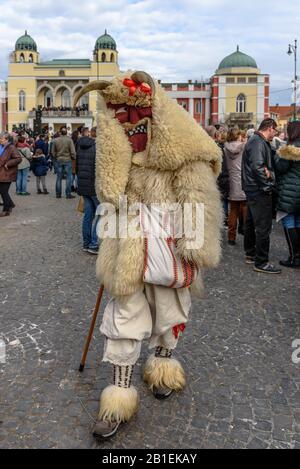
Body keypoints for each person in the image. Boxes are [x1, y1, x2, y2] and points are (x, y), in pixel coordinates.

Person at [75, 71, 222, 439]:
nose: (130, 125)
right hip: (128, 246)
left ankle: (162, 366)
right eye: (122, 117)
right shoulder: (120, 151)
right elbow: (110, 197)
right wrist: (110, 230)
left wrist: (194, 244)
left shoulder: (185, 148)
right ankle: (118, 399)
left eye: (135, 116)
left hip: (170, 246)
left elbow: (198, 197)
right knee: (124, 317)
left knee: (170, 312)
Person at [242, 118, 281, 274]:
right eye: (275, 131)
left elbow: (259, 167)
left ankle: (251, 254)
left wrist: (267, 173)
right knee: (263, 227)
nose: (275, 134)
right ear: (270, 128)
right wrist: (268, 185)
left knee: (251, 223)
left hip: (252, 189)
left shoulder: (255, 140)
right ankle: (261, 262)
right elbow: (258, 167)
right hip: (258, 190)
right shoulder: (258, 142)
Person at [273, 120, 300, 268]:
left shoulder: (289, 150)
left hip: (290, 191)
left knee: (289, 221)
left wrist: (278, 155)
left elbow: (280, 168)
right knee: (298, 222)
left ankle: (294, 257)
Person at [76, 126, 99, 254]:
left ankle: (86, 243)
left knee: (88, 216)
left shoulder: (80, 146)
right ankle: (94, 243)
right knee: (101, 214)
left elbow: (77, 166)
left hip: (83, 185)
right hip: (94, 185)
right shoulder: (98, 147)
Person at [224, 129, 247, 245]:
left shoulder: (225, 148)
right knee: (245, 208)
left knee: (232, 210)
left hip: (231, 181)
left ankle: (231, 237)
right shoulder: (243, 147)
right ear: (237, 136)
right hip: (243, 180)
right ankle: (247, 234)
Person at [0, 132, 22, 217]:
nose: (0, 140)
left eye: (1, 139)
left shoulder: (11, 147)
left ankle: (6, 210)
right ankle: (10, 204)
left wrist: (8, 163)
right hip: (1, 173)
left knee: (3, 191)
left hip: (7, 173)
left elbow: (18, 158)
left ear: (7, 139)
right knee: (2, 191)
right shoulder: (1, 147)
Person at [52, 127, 76, 199]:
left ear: (60, 132)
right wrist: (73, 157)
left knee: (59, 177)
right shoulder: (69, 140)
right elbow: (73, 151)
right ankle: (68, 194)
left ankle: (58, 194)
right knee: (68, 177)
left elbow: (52, 152)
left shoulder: (55, 140)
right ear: (66, 132)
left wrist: (56, 157)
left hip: (59, 160)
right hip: (67, 160)